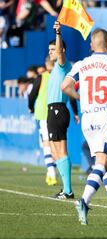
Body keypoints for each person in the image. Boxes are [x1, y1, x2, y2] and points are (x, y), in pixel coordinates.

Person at [61, 28, 107, 225]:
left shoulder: (81, 64)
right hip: (106, 117)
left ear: (91, 46)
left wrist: (81, 98)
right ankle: (84, 201)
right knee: (102, 163)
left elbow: (65, 86)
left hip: (87, 119)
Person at [46, 21, 78, 199]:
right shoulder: (56, 69)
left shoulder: (62, 65)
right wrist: (74, 111)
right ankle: (65, 189)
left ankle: (68, 190)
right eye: (50, 50)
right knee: (56, 151)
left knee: (61, 150)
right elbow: (71, 91)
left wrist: (58, 33)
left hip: (58, 109)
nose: (51, 52)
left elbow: (59, 52)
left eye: (53, 49)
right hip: (54, 111)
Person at [28, 58, 57, 186]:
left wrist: (30, 107)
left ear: (46, 64)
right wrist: (74, 111)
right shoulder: (60, 75)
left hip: (44, 113)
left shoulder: (42, 77)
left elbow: (32, 94)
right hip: (57, 112)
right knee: (56, 144)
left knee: (46, 144)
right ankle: (52, 172)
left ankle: (51, 173)